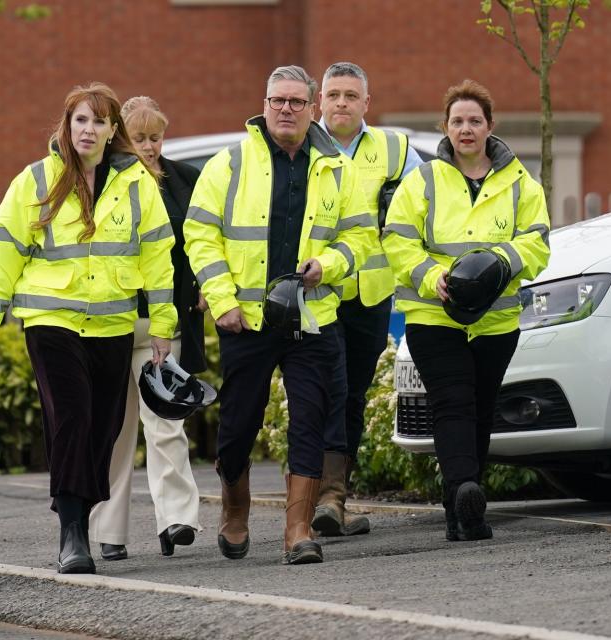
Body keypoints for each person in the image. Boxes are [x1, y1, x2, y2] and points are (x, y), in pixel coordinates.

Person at [0, 82, 177, 574]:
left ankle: (78, 516)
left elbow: (158, 257)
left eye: (99, 121)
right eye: (79, 120)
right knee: (71, 420)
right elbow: (3, 255)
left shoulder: (136, 185)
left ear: (113, 131)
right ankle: (72, 534)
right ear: (66, 127)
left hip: (111, 323)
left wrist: (164, 324)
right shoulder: (36, 181)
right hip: (52, 322)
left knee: (103, 430)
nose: (88, 129)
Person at [184, 65, 375, 565]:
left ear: (313, 109)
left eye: (295, 102)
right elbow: (200, 236)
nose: (285, 109)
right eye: (277, 101)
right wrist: (222, 301)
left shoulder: (339, 168)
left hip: (314, 316)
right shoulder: (229, 163)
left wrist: (327, 265)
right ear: (263, 104)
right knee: (239, 423)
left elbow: (360, 240)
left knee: (310, 419)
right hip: (245, 320)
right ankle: (235, 507)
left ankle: (297, 530)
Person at [381, 79, 550, 541]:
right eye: (458, 121)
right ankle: (465, 493)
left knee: (480, 407)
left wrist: (500, 264)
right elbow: (396, 238)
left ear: (490, 126)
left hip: (497, 319)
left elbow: (537, 243)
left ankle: (463, 512)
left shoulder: (520, 183)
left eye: (475, 120)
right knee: (452, 403)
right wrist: (428, 275)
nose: (466, 128)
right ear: (446, 128)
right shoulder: (424, 181)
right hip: (434, 315)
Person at [88, 96, 205, 561]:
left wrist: (203, 284)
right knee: (115, 430)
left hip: (164, 321)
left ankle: (176, 519)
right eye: (140, 138)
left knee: (166, 421)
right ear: (122, 139)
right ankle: (109, 532)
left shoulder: (186, 182)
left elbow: (199, 241)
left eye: (156, 136)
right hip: (112, 322)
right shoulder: (104, 184)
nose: (151, 147)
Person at [312, 61, 423, 537]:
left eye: (350, 95)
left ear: (366, 103)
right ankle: (324, 498)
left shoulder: (395, 149)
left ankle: (335, 498)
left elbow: (429, 201)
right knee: (326, 390)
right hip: (317, 292)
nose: (341, 102)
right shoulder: (302, 145)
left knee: (352, 395)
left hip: (371, 294)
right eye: (333, 94)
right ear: (320, 100)